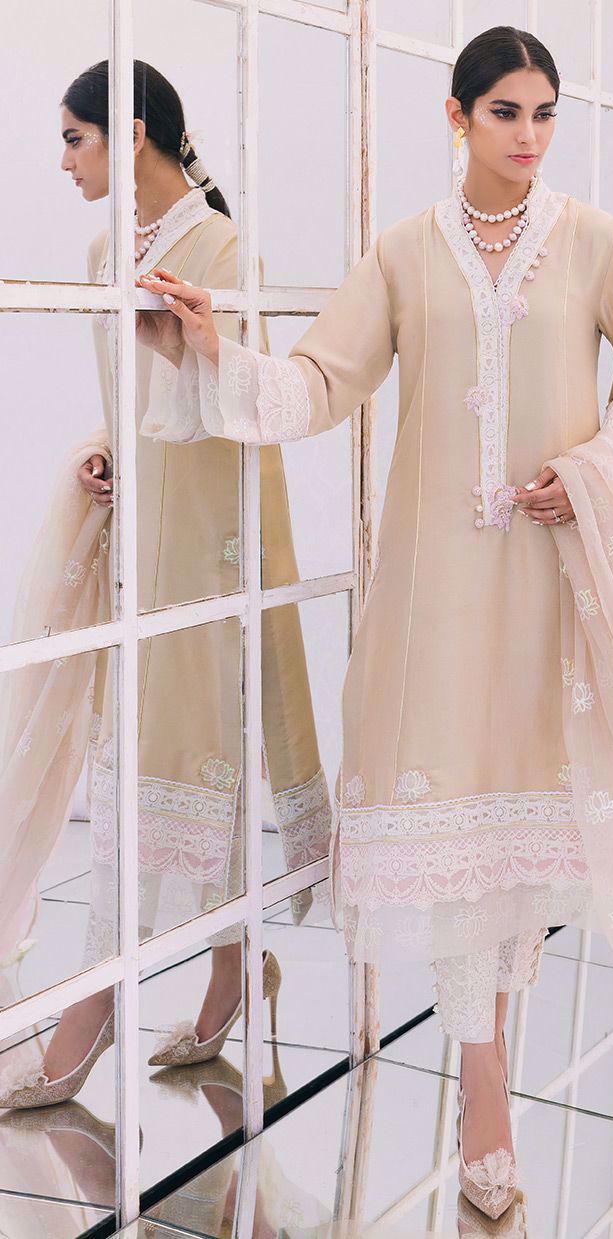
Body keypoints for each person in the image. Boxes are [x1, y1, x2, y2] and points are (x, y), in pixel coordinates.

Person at [131, 25, 613, 1233]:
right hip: (433, 597)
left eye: (545, 113)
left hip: (547, 587)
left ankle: (485, 1080)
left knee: (522, 848)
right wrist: (214, 347)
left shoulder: (591, 243)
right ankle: (483, 1087)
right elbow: (317, 387)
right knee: (455, 833)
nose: (530, 136)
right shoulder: (404, 255)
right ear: (457, 117)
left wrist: (596, 467)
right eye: (506, 113)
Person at [0, 61, 328, 1109]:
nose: (64, 161)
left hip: (210, 542)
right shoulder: (107, 251)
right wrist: (107, 448)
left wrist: (194, 353)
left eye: (75, 138)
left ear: (130, 133)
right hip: (138, 536)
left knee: (189, 754)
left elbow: (247, 404)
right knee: (141, 762)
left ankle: (97, 1016)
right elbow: (124, 395)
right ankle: (230, 970)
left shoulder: (223, 249)